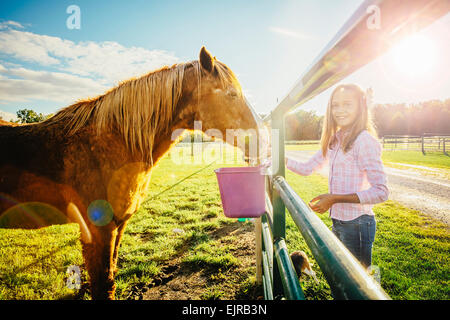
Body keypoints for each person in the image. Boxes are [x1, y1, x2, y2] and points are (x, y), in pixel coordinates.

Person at [284, 84, 388, 268]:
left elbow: (381, 192)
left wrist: (334, 199)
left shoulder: (364, 140)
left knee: (356, 285)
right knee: (341, 277)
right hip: (339, 222)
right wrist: (280, 158)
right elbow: (307, 168)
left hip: (358, 225)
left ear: (360, 107)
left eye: (347, 104)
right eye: (335, 105)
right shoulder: (335, 140)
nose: (340, 111)